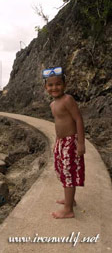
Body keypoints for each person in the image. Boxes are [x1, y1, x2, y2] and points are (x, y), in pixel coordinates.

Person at [43, 67, 85, 219]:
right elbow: (58, 124)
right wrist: (56, 142)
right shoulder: (53, 104)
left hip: (71, 141)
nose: (54, 88)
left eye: (58, 84)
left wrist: (81, 143)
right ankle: (70, 200)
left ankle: (68, 210)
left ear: (64, 85)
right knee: (61, 170)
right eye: (51, 85)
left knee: (69, 172)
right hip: (61, 142)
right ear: (45, 87)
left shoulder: (68, 100)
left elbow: (78, 119)